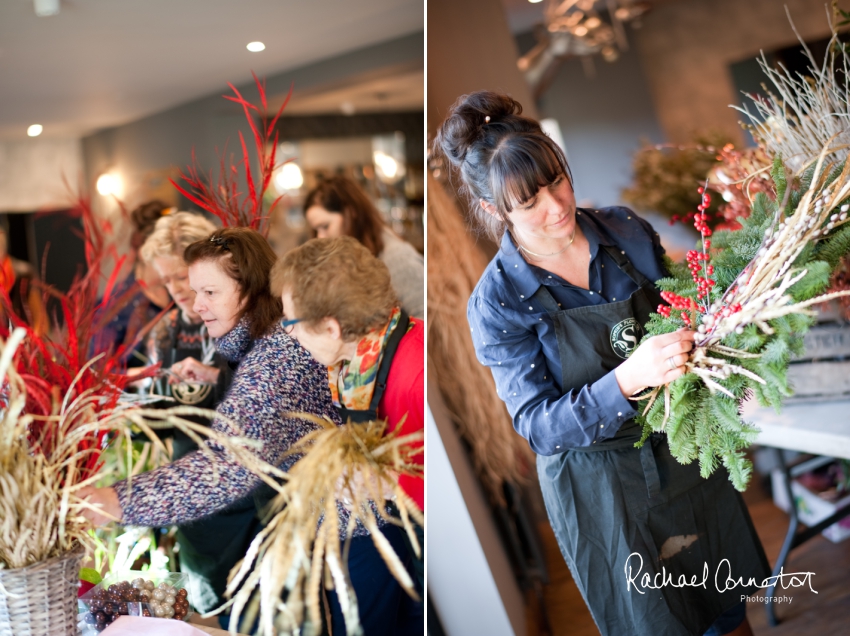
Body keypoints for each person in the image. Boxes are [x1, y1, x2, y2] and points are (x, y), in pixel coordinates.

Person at [435, 91, 770, 636]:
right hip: (604, 493)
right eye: (530, 202)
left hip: (681, 450)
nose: (557, 206)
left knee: (729, 617)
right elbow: (538, 426)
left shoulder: (624, 231)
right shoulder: (497, 303)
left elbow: (680, 306)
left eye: (556, 181)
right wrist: (629, 378)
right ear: (495, 211)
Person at [79, 228, 340, 585]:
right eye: (194, 290)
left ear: (249, 288)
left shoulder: (273, 358)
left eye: (210, 292)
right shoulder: (260, 344)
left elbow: (225, 467)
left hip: (341, 535)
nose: (196, 304)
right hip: (315, 527)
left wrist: (113, 501)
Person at [271, 235, 423, 635]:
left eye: (290, 324)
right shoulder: (355, 368)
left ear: (331, 327)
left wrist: (385, 482)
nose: (289, 336)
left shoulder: (415, 373)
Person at [138, 212, 258, 616]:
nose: (177, 292)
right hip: (190, 488)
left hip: (243, 491)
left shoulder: (249, 328)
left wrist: (215, 379)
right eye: (167, 282)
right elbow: (155, 411)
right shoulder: (162, 332)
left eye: (182, 279)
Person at [304, 176, 424, 319]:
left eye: (325, 226)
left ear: (351, 212)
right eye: (316, 230)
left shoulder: (396, 258)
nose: (320, 237)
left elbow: (427, 322)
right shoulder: (352, 261)